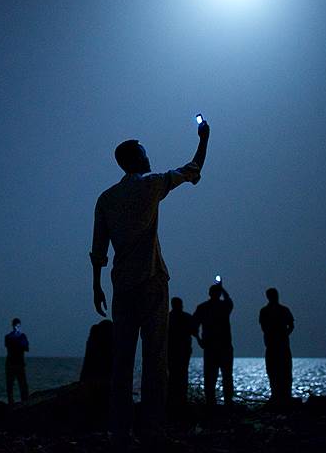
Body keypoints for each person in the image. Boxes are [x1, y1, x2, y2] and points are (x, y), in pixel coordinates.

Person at [90, 122, 210, 452]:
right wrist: (204, 139)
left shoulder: (107, 198)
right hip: (152, 280)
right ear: (134, 160)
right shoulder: (152, 185)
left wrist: (96, 287)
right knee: (156, 359)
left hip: (121, 285)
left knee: (122, 362)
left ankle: (119, 430)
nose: (148, 158)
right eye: (144, 154)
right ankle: (153, 428)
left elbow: (98, 250)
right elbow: (193, 168)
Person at [193, 281, 234, 407]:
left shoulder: (204, 307)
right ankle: (225, 402)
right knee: (225, 376)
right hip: (221, 346)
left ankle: (212, 403)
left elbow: (194, 325)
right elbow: (229, 300)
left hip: (214, 347)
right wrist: (222, 289)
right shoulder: (222, 307)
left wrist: (199, 340)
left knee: (212, 377)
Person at [258, 287, 294, 404]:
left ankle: (285, 396)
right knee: (274, 372)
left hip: (280, 346)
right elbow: (264, 327)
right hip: (273, 346)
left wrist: (285, 335)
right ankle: (276, 395)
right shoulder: (266, 311)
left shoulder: (282, 310)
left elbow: (291, 325)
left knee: (284, 372)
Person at [167, 297, 195, 414]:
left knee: (174, 375)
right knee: (181, 375)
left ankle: (174, 400)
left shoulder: (167, 318)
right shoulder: (186, 317)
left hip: (174, 351)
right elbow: (194, 331)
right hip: (180, 351)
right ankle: (180, 400)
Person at [5, 318, 30, 405]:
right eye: (16, 326)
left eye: (18, 326)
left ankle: (24, 401)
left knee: (22, 384)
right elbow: (10, 346)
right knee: (11, 384)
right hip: (12, 363)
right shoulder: (8, 337)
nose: (17, 327)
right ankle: (11, 402)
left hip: (18, 363)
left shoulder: (22, 336)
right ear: (13, 326)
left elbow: (27, 348)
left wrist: (19, 343)